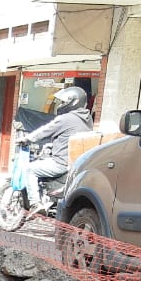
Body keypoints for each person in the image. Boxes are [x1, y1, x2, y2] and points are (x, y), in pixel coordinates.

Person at [22, 85, 92, 213]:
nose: (61, 105)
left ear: (72, 102)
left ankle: (35, 204)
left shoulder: (66, 118)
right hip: (75, 164)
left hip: (61, 163)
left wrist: (27, 138)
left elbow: (45, 130)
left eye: (63, 102)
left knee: (30, 169)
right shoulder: (87, 119)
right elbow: (68, 137)